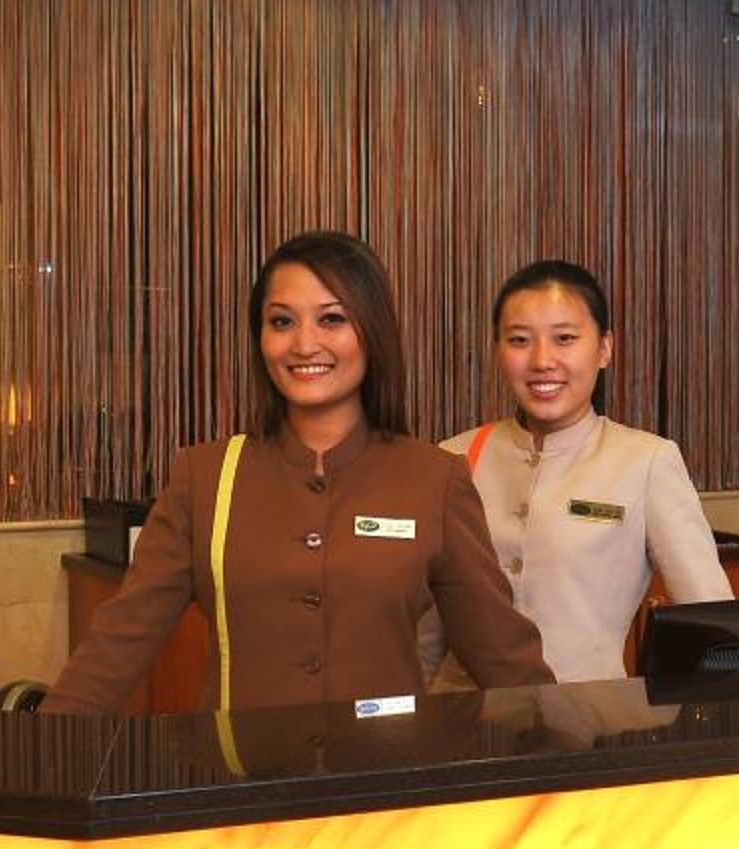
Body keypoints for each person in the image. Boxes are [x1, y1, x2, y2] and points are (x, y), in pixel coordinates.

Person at [44, 231, 553, 713]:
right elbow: (119, 642)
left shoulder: (434, 479)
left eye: (331, 319)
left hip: (389, 770)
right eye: (282, 322)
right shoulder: (206, 478)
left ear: (371, 331)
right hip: (239, 771)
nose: (304, 344)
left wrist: (574, 747)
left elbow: (504, 655)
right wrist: (44, 750)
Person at [441, 260, 730, 684]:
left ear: (604, 348)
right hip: (461, 716)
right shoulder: (454, 457)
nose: (542, 360)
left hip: (589, 714)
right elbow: (423, 630)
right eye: (519, 340)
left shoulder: (646, 462)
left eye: (565, 338)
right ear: (497, 350)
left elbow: (712, 619)